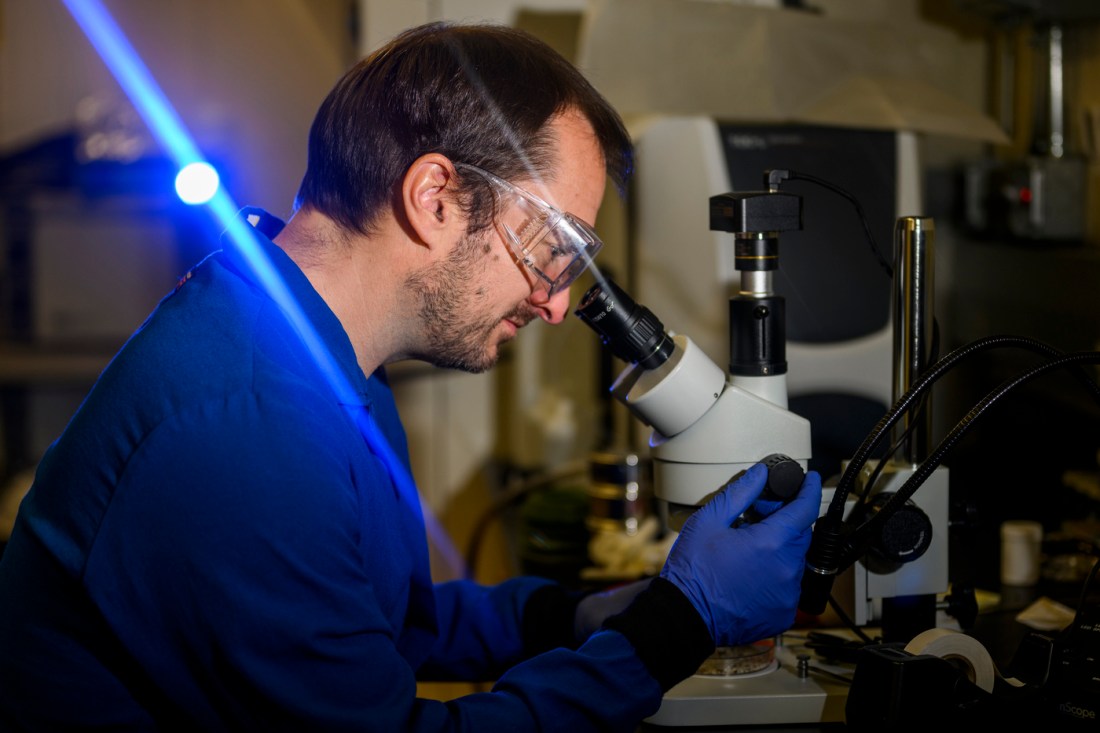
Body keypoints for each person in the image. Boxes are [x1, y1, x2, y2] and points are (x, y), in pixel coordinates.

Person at [0, 21, 822, 732]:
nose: (558, 303)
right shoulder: (247, 422)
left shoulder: (311, 349)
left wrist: (568, 616)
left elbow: (374, 623)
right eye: (554, 248)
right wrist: (674, 628)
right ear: (434, 196)